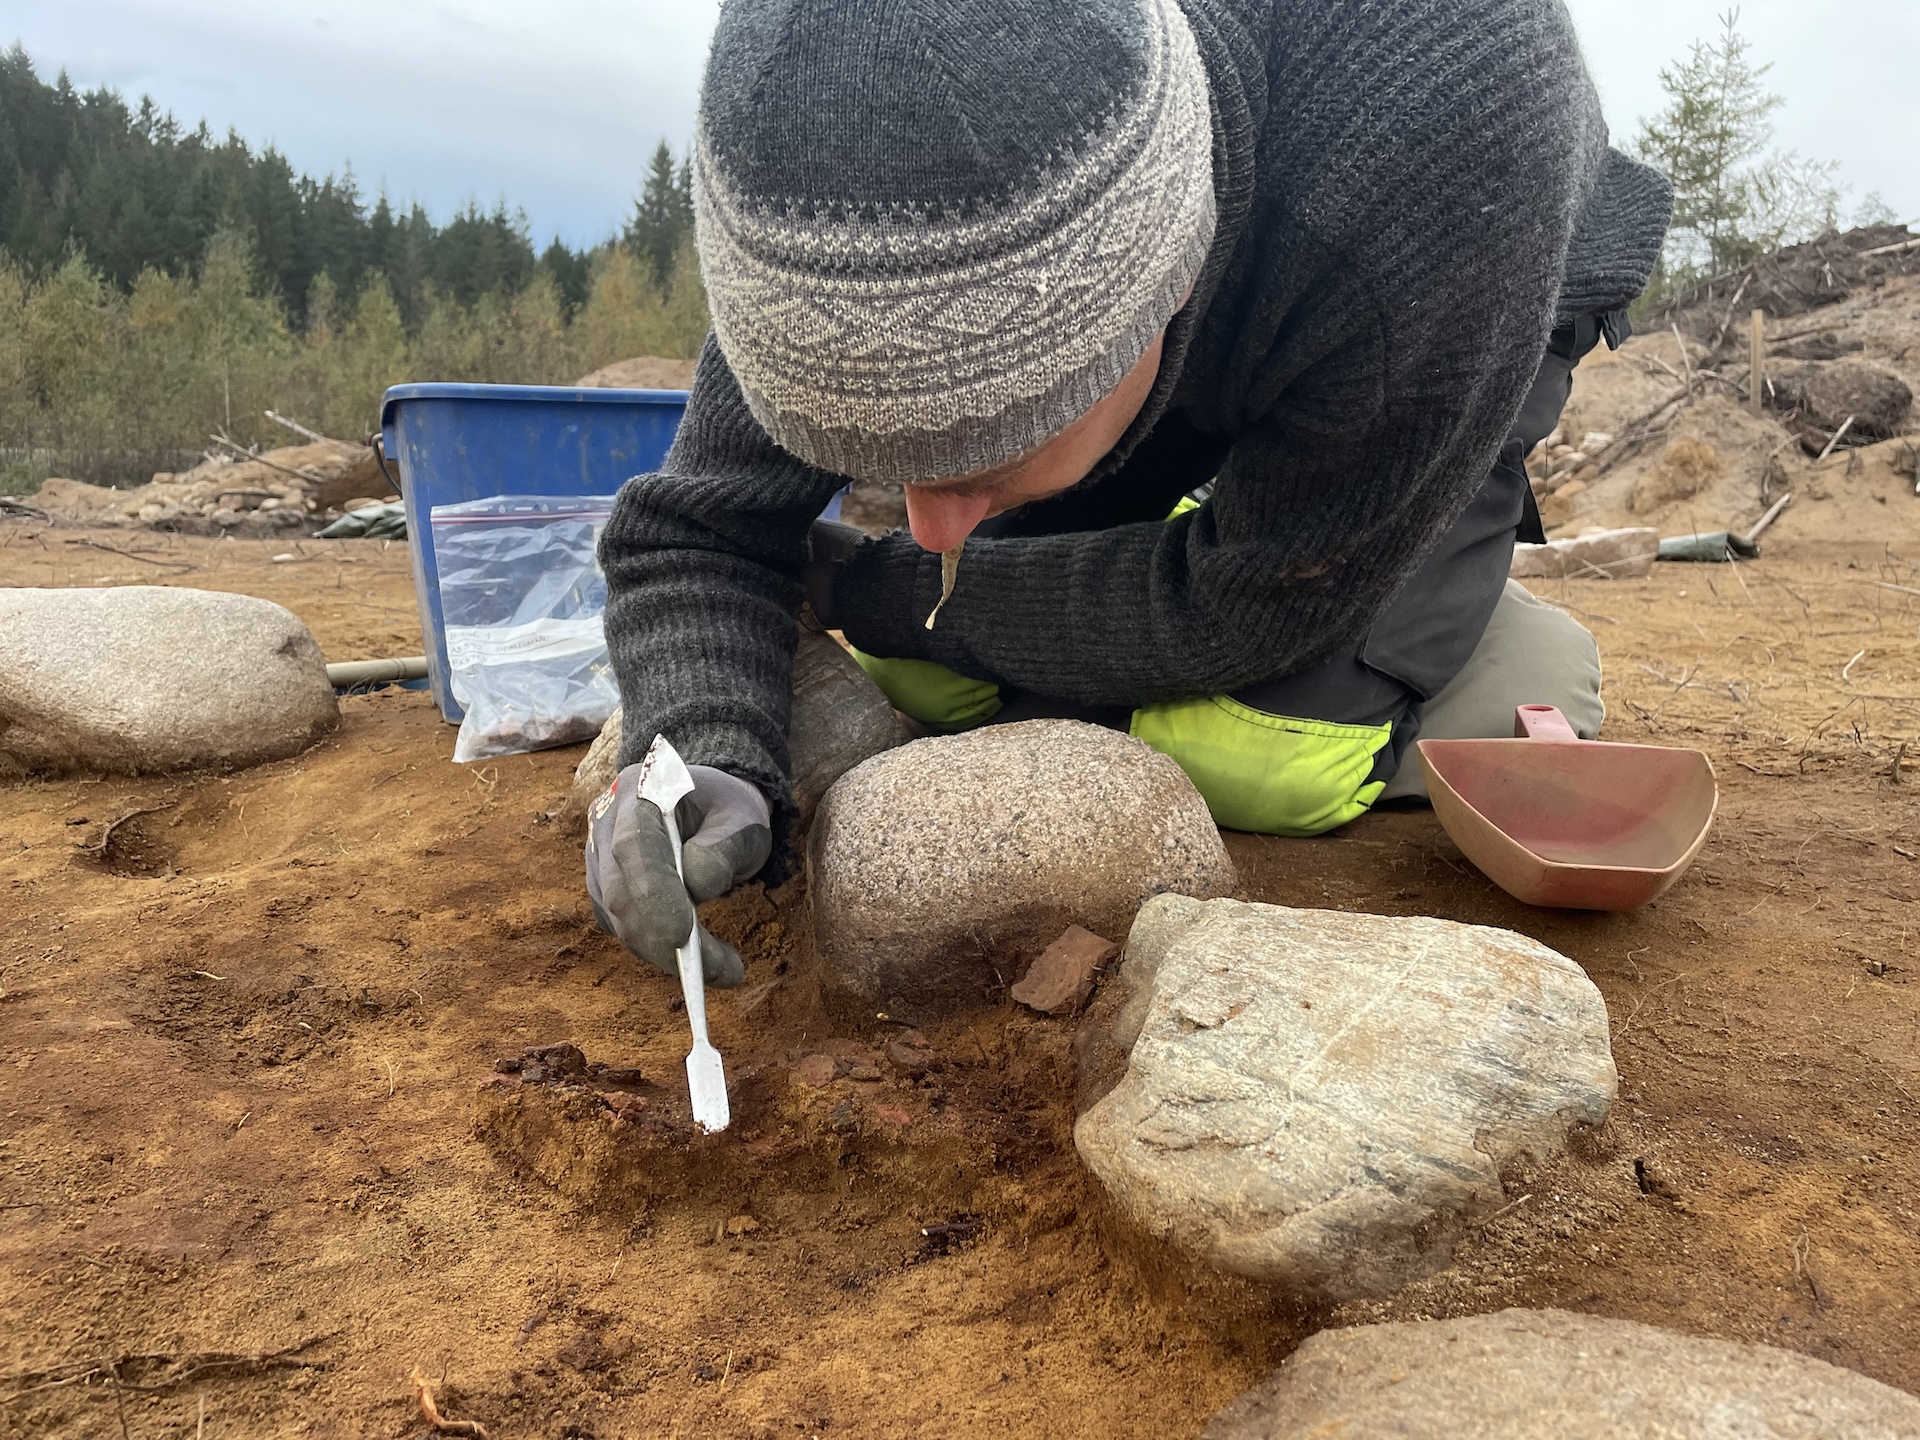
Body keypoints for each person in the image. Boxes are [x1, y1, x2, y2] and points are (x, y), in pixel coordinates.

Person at [584, 0, 1673, 986]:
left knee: (1280, 753)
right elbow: (698, 532)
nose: (926, 521)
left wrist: (873, 590)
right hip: (1205, 290)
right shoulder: (832, 199)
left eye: (975, 467)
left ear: (1165, 294)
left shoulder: (1447, 157)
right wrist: (699, 752)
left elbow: (1245, 603)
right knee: (957, 662)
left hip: (1454, 285)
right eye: (886, 473)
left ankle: (1450, 601)